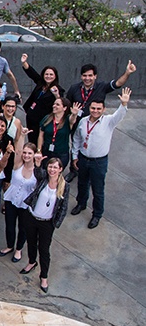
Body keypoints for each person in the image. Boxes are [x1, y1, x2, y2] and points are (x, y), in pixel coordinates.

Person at [70, 87, 131, 229]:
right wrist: (74, 156)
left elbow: (119, 115)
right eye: (93, 108)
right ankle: (81, 203)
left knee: (98, 189)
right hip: (83, 159)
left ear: (103, 109)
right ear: (89, 108)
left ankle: (97, 214)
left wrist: (123, 104)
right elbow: (77, 139)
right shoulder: (83, 121)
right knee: (82, 184)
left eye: (98, 109)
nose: (95, 111)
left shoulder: (109, 121)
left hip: (99, 161)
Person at [20, 156, 69, 293]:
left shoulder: (64, 186)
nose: (52, 170)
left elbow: (64, 207)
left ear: (60, 169)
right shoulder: (43, 179)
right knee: (30, 242)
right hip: (32, 217)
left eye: (55, 167)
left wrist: (55, 224)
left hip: (47, 223)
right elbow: (36, 172)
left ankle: (44, 276)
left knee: (44, 250)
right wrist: (37, 162)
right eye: (50, 166)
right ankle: (31, 262)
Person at [0, 131, 36, 263]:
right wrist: (22, 135)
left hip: (26, 203)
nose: (26, 155)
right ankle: (9, 246)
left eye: (29, 153)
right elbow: (18, 149)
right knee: (9, 225)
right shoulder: (18, 165)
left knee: (23, 227)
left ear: (34, 155)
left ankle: (19, 249)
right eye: (25, 153)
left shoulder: (37, 170)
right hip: (11, 199)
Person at [20, 54, 63, 146]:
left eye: (51, 74)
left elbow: (60, 104)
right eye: (46, 74)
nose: (48, 76)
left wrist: (56, 95)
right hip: (31, 117)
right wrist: (24, 62)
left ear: (55, 76)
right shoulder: (40, 83)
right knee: (31, 140)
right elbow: (32, 73)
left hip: (43, 120)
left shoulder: (58, 89)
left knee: (40, 141)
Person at [37, 97, 76, 171]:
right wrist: (39, 150)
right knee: (46, 172)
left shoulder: (68, 120)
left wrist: (74, 114)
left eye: (57, 104)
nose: (54, 106)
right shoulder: (47, 118)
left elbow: (72, 120)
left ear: (64, 108)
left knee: (56, 174)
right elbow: (41, 135)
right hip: (47, 152)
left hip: (61, 154)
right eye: (54, 104)